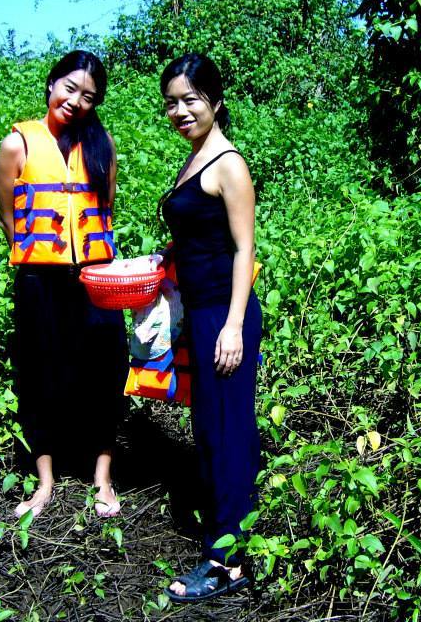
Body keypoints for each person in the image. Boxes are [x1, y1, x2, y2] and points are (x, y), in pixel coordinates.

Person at [0, 50, 127, 520]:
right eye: (70, 88)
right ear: (52, 84)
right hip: (40, 280)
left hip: (95, 277)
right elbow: (9, 217)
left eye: (88, 96)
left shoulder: (102, 145)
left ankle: (103, 479)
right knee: (38, 374)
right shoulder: (17, 145)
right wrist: (41, 260)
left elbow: (106, 208)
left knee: (107, 371)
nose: (76, 101)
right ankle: (45, 481)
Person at [158, 54, 262, 601]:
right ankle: (230, 533)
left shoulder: (228, 164)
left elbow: (244, 249)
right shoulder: (194, 158)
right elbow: (199, 235)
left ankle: (228, 563)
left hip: (226, 314)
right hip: (201, 313)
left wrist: (234, 326)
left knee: (227, 432)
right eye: (171, 102)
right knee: (211, 429)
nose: (179, 111)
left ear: (215, 102)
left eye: (190, 100)